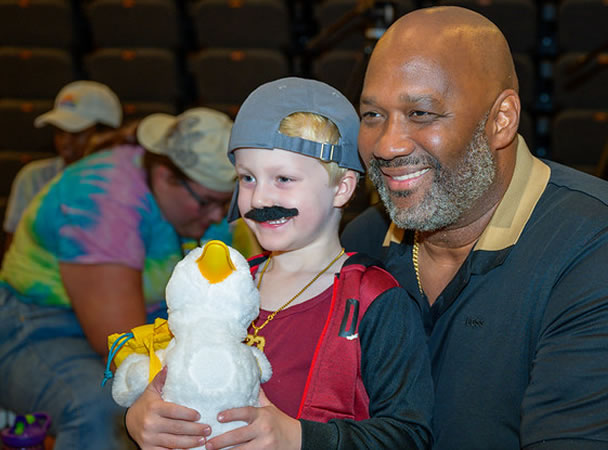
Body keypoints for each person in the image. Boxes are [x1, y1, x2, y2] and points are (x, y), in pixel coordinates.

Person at [341, 6, 608, 449]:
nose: (387, 144)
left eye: (421, 113)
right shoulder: (360, 245)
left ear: (501, 118)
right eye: (372, 116)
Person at [125, 77, 433, 449]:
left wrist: (298, 437)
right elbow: (169, 371)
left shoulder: (376, 300)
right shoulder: (222, 282)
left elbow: (408, 435)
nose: (261, 197)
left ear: (342, 187)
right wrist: (141, 415)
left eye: (284, 178)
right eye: (247, 178)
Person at [0, 107, 257, 449]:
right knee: (103, 407)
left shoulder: (197, 199)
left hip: (154, 322)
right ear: (166, 175)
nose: (215, 218)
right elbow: (122, 342)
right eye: (207, 203)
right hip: (36, 326)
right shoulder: (102, 197)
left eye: (225, 205)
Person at [2, 81, 124, 252]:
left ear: (107, 135)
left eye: (76, 133)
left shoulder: (127, 187)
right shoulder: (33, 177)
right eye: (59, 132)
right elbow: (12, 250)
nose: (65, 142)